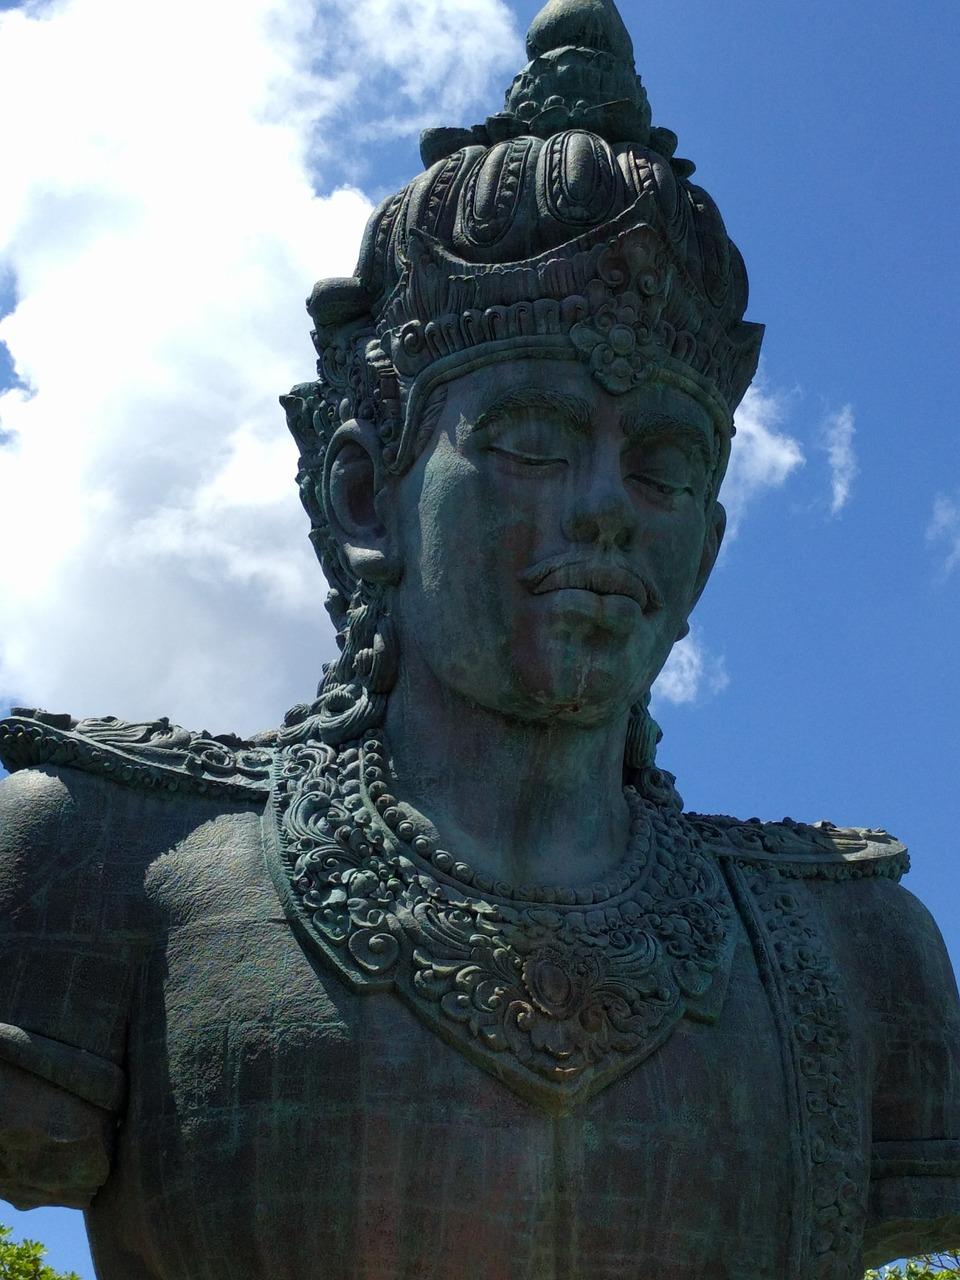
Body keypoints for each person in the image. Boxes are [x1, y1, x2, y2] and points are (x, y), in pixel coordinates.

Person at [1, 0, 958, 1275]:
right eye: (534, 439)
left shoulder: (852, 950)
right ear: (362, 496)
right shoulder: (98, 863)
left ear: (710, 549)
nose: (610, 508)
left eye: (665, 465)